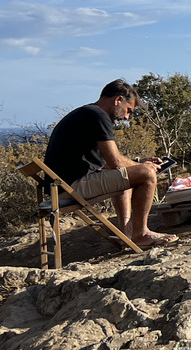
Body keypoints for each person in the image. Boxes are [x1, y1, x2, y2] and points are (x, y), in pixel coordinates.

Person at [43, 79, 176, 248]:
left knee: (127, 175)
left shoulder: (87, 113)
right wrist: (144, 167)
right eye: (128, 110)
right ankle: (141, 234)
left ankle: (127, 233)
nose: (126, 117)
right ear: (118, 100)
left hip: (60, 187)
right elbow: (115, 162)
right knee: (147, 174)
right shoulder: (98, 115)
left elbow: (107, 164)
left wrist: (138, 163)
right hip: (69, 188)